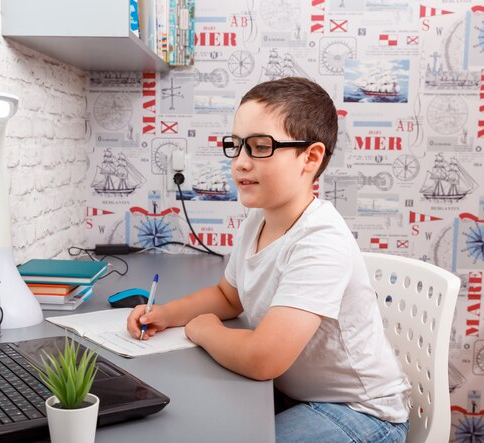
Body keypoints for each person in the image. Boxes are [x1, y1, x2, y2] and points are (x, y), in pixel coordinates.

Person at [127, 77, 411, 443]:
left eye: (260, 147)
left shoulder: (320, 241)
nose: (241, 163)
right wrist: (165, 314)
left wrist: (205, 330)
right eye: (236, 146)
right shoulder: (257, 221)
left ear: (310, 157)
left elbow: (264, 359)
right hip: (297, 394)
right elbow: (229, 297)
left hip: (360, 413)